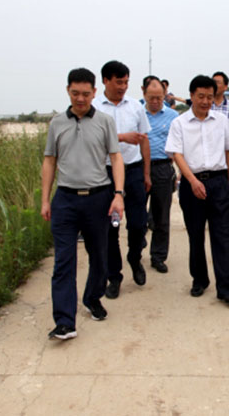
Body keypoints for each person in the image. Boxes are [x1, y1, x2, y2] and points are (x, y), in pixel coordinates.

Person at [41, 67, 125, 340]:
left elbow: (116, 158)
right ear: (68, 91)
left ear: (94, 92)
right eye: (75, 93)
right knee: (63, 261)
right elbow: (49, 161)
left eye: (86, 94)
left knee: (99, 255)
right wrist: (45, 200)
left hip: (98, 198)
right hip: (65, 200)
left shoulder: (104, 122)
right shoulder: (57, 123)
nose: (80, 99)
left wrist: (118, 194)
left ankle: (92, 297)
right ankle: (65, 321)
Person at [165, 74, 229, 305]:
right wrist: (192, 181)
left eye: (209, 97)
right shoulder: (179, 123)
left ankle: (225, 288)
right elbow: (177, 154)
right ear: (191, 96)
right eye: (201, 96)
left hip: (218, 183)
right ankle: (199, 279)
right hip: (192, 183)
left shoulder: (221, 121)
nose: (206, 101)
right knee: (195, 235)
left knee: (221, 236)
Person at [92, 61, 151, 300]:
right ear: (106, 81)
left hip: (133, 171)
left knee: (138, 223)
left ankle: (134, 258)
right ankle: (114, 276)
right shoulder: (94, 108)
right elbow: (91, 139)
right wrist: (121, 137)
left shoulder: (136, 106)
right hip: (104, 173)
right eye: (119, 82)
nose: (123, 87)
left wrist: (146, 172)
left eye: (126, 82)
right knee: (110, 228)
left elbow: (144, 140)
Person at [143, 77, 179, 273]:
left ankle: (158, 256)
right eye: (152, 97)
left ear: (165, 95)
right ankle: (136, 249)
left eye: (159, 97)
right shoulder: (137, 113)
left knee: (161, 217)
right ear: (144, 94)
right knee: (137, 215)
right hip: (139, 168)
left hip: (163, 168)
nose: (156, 101)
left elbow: (180, 145)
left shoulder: (173, 116)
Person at [211, 71, 229, 139]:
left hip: (226, 145)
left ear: (225, 87)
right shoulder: (205, 105)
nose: (215, 85)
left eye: (218, 82)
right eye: (213, 82)